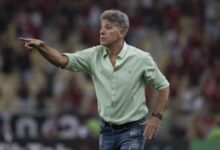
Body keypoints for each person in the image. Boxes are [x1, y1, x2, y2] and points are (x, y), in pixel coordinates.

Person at [20, 9, 169, 150]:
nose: (101, 31)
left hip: (133, 129)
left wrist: (156, 117)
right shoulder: (93, 55)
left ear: (121, 32)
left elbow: (163, 86)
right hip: (106, 130)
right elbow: (61, 60)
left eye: (108, 27)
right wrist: (43, 47)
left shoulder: (141, 58)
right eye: (101, 27)